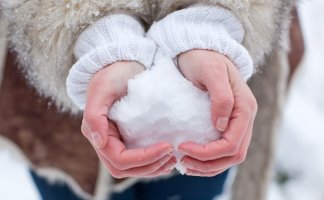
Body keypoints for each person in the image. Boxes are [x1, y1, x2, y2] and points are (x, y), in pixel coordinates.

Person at [0, 0, 296, 200]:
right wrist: (97, 37)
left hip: (209, 94)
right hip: (56, 129)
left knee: (194, 180)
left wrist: (210, 24)